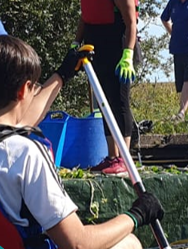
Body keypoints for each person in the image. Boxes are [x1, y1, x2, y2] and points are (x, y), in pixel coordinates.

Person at [0, 35, 165, 249]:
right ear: (24, 90)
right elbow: (78, 244)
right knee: (129, 243)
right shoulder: (25, 153)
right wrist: (137, 215)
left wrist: (63, 73)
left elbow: (17, 119)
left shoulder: (11, 144)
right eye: (34, 88)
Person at [74, 0, 141, 175]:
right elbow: (85, 16)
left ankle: (124, 158)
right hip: (96, 50)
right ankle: (113, 156)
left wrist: (128, 55)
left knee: (119, 101)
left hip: (120, 49)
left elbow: (130, 22)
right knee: (104, 103)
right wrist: (75, 42)